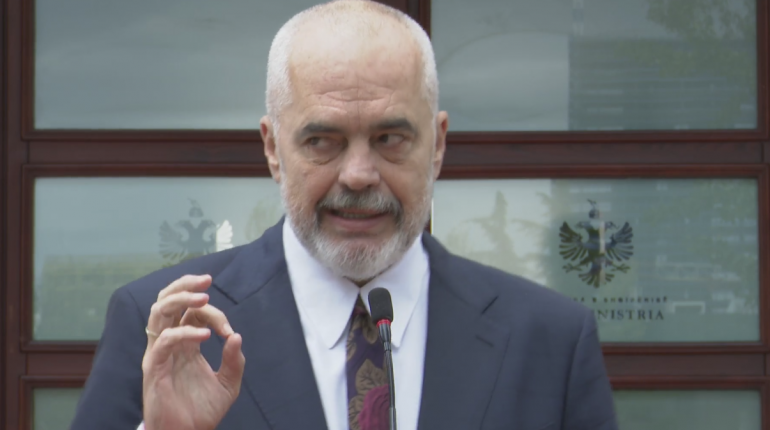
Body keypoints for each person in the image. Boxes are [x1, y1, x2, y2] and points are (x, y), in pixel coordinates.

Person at [70, 1, 618, 429]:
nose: (358, 175)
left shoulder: (549, 340)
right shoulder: (167, 329)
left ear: (437, 144)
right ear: (272, 148)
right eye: (323, 141)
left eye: (390, 138)